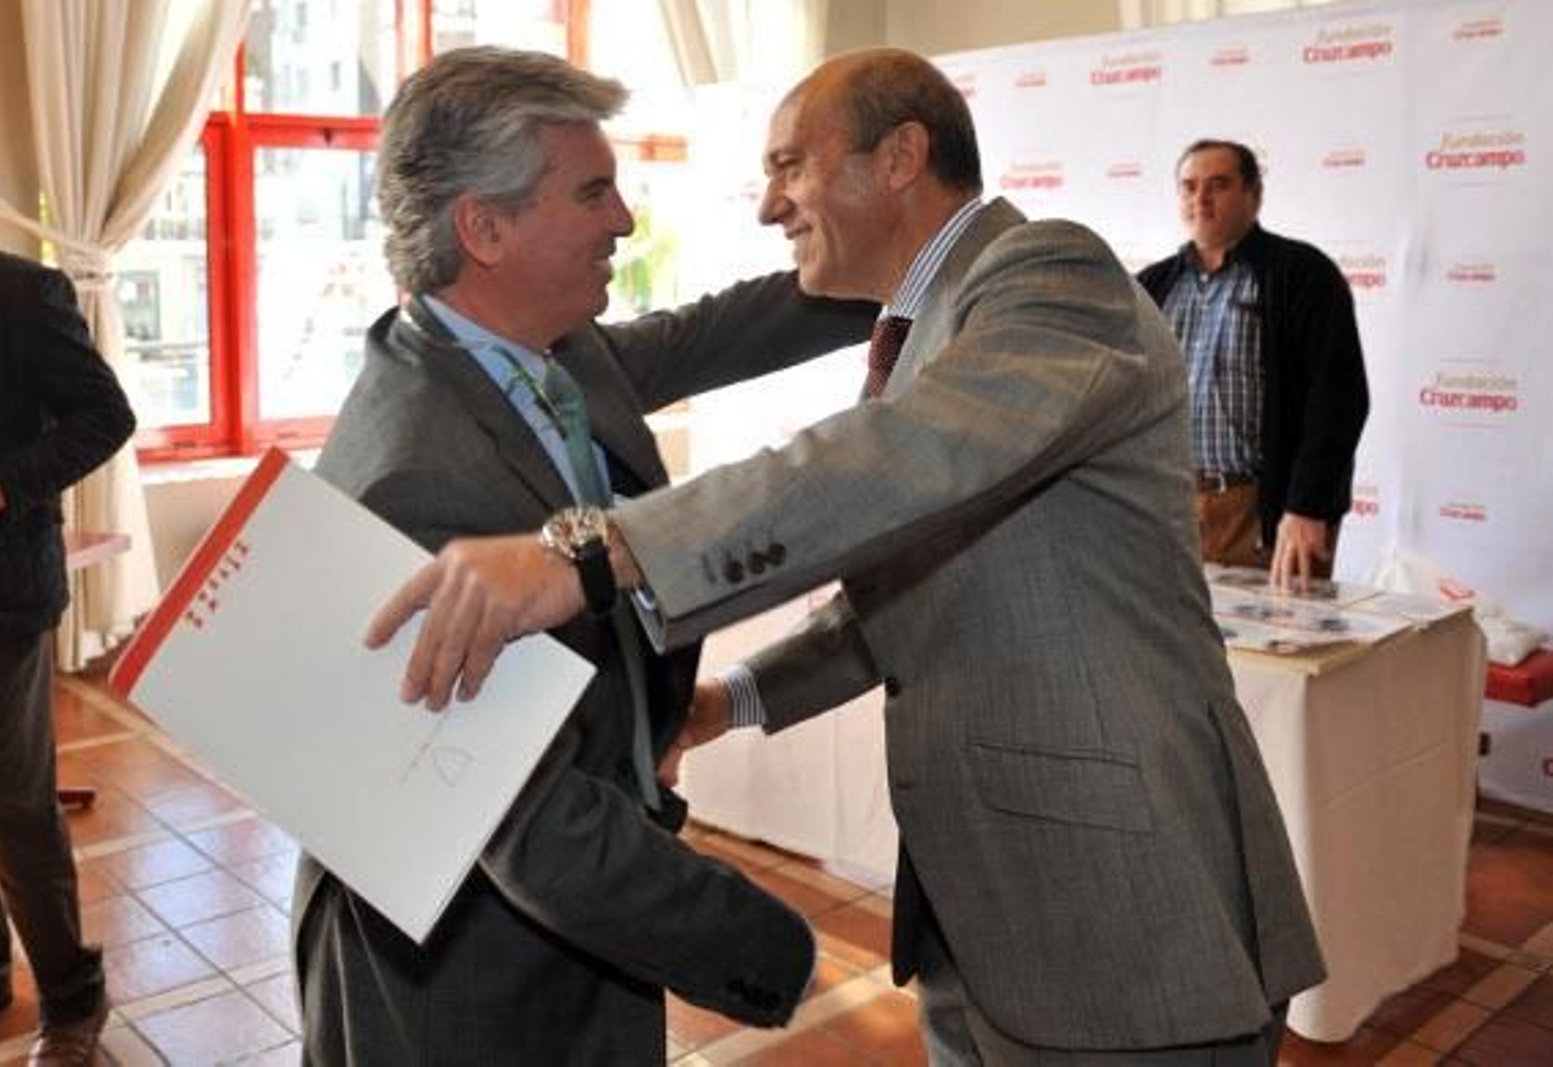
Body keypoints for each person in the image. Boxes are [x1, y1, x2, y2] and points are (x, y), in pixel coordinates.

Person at [367, 49, 1329, 1063]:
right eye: (592, 190)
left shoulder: (1050, 276)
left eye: (790, 165)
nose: (767, 205)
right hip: (983, 919)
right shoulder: (927, 328)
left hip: (1122, 922)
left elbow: (895, 458)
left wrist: (596, 554)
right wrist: (729, 699)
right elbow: (909, 585)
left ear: (900, 156)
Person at [291, 47, 877, 1064]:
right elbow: (533, 823)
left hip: (571, 920)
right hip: (475, 976)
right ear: (484, 228)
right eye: (593, 191)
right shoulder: (413, 478)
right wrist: (774, 951)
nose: (625, 220)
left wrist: (902, 257)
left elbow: (717, 332)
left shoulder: (545, 350)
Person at [0, 155, 130, 1065]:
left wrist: (1, 481)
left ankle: (71, 990)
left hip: (0, 591)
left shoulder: (25, 294)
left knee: (0, 790)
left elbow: (107, 418)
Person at [1137, 139, 1369, 589]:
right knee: (1176, 635)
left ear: (1254, 194)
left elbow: (1339, 398)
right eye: (1189, 187)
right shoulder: (1152, 285)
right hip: (1172, 509)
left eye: (1218, 185)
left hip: (1267, 514)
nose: (1201, 199)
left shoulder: (1302, 274)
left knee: (1279, 635)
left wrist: (1308, 507)